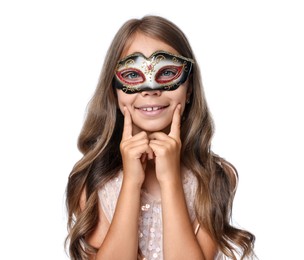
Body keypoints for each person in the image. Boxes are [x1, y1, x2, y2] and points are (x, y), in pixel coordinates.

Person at [65, 15, 256, 260]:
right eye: (133, 75)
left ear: (189, 90)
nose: (151, 89)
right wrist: (131, 182)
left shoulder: (214, 178)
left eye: (167, 72)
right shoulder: (94, 180)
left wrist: (170, 179)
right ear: (114, 92)